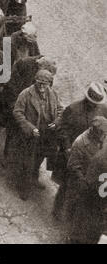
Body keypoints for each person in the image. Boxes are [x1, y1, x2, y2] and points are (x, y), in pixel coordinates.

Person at [52, 82, 107, 220]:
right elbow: (62, 129)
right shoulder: (73, 108)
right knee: (65, 185)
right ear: (87, 99)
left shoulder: (103, 109)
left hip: (90, 154)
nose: (95, 105)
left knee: (81, 186)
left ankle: (71, 213)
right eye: (92, 102)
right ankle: (57, 209)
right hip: (71, 151)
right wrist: (67, 147)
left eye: (97, 103)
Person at [13, 69, 63, 200]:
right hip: (31, 135)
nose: (41, 86)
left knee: (39, 159)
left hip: (47, 134)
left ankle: (34, 179)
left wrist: (57, 122)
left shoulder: (52, 94)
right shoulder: (26, 94)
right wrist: (30, 128)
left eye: (45, 84)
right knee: (27, 162)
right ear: (35, 81)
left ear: (49, 84)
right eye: (39, 83)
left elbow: (60, 110)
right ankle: (23, 187)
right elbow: (17, 112)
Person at [66, 116, 107, 244]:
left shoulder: (104, 138)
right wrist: (83, 180)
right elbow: (72, 165)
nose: (104, 136)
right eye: (101, 133)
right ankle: (70, 236)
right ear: (94, 131)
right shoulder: (80, 142)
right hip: (81, 182)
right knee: (76, 212)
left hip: (95, 182)